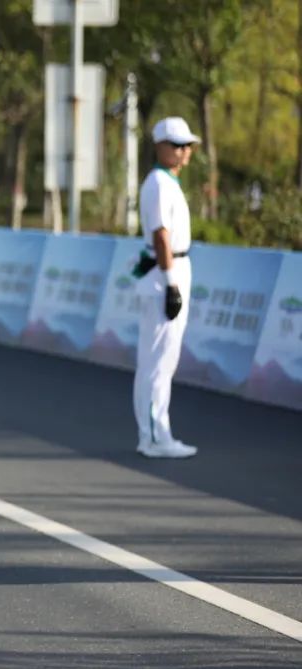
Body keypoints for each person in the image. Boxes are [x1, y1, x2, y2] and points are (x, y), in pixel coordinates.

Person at [133, 117, 200, 459]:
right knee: (157, 359)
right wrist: (172, 282)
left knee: (164, 359)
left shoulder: (168, 182)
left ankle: (158, 432)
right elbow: (161, 235)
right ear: (159, 147)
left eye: (187, 145)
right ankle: (154, 436)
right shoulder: (158, 182)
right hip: (164, 272)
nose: (183, 151)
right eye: (176, 145)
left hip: (173, 268)